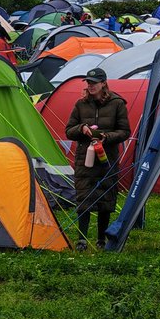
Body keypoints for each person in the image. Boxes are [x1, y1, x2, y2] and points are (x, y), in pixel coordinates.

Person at [65, 69, 130, 251]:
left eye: (94, 82)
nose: (90, 86)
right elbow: (69, 131)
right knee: (83, 197)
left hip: (106, 157)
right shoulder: (80, 104)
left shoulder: (117, 104)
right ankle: (82, 239)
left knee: (105, 199)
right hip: (85, 158)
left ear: (103, 83)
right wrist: (81, 128)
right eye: (88, 82)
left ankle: (101, 239)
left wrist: (106, 137)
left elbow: (125, 131)